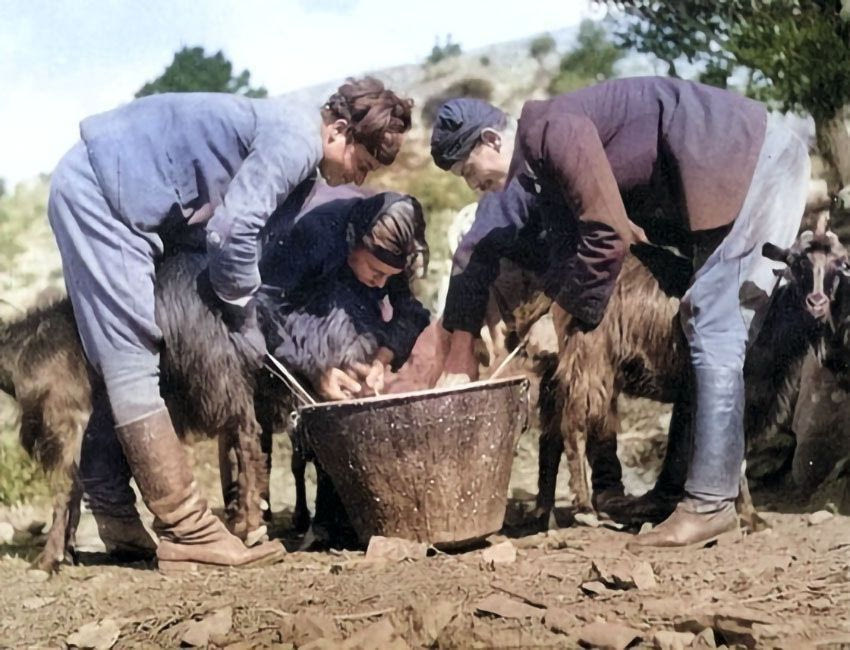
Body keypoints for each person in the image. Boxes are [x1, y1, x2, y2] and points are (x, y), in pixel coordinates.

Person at [48, 77, 413, 570]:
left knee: (130, 358)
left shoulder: (299, 148)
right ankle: (187, 528)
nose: (359, 181)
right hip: (102, 195)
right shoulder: (296, 140)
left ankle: (116, 518)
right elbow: (231, 234)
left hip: (125, 200)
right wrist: (242, 319)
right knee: (130, 355)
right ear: (340, 130)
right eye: (362, 164)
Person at [429, 77, 810, 548]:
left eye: (469, 170)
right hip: (732, 176)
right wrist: (553, 313)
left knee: (713, 323)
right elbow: (570, 247)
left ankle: (710, 504)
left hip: (756, 165)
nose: (474, 185)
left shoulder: (551, 130)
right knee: (702, 324)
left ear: (491, 140)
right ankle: (676, 492)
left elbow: (607, 230)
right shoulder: (540, 166)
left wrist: (560, 315)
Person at [258, 190, 430, 400]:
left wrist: (380, 360)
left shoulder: (392, 248)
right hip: (290, 305)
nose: (381, 283)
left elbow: (410, 313)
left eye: (390, 276)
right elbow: (263, 306)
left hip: (347, 294)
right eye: (376, 272)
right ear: (355, 244)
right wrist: (312, 368)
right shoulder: (315, 234)